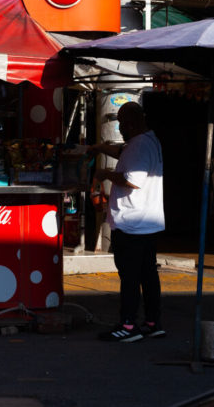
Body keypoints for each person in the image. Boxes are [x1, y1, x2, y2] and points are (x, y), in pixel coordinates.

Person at [91, 101, 165, 342]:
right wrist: (99, 147)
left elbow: (133, 180)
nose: (120, 128)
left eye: (122, 123)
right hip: (148, 223)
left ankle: (128, 326)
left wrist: (105, 174)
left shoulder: (138, 146)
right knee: (148, 275)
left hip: (132, 223)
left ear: (131, 123)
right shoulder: (149, 140)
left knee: (131, 278)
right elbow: (123, 152)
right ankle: (153, 322)